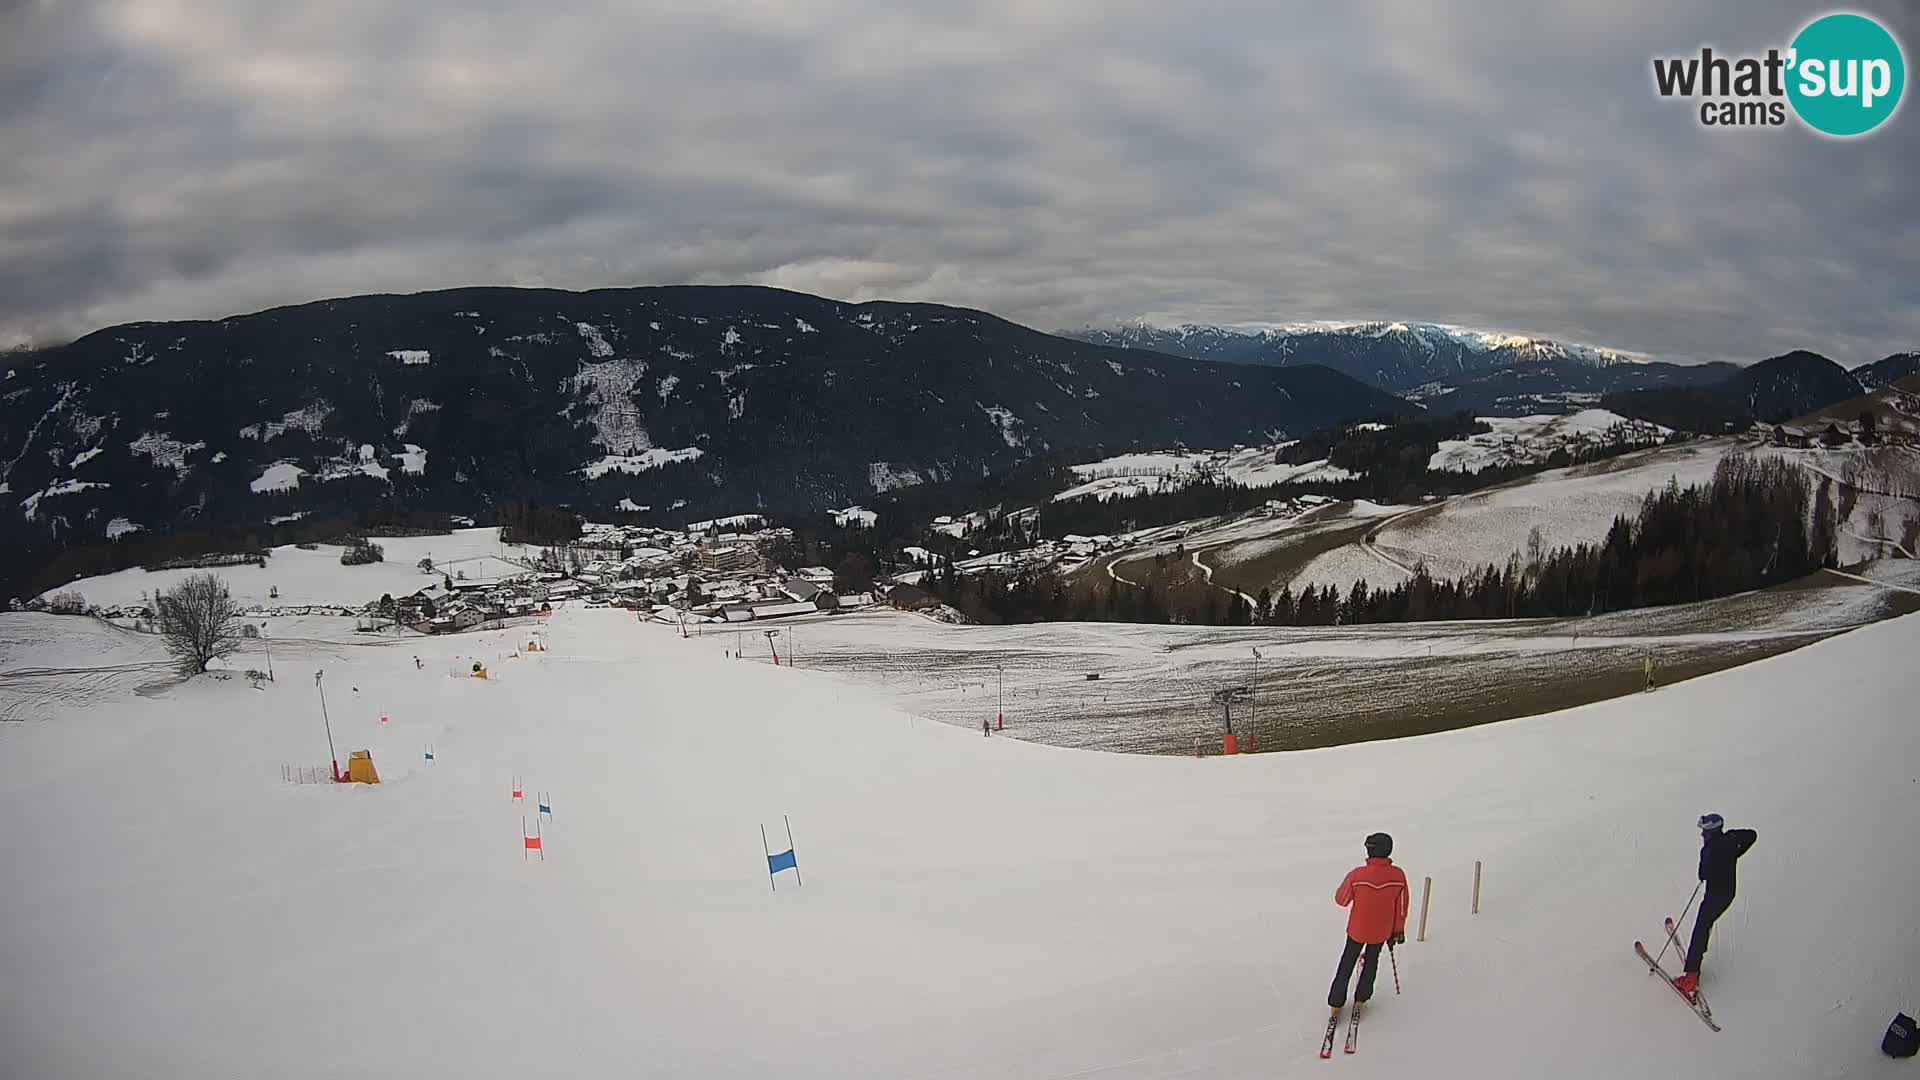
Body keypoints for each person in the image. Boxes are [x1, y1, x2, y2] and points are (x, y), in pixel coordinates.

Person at [1675, 813, 1757, 999]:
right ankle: (1696, 963)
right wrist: (1736, 847)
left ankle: (1691, 978)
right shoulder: (1730, 840)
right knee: (1706, 926)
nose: (1702, 835)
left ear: (1710, 832)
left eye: (1704, 832)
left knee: (1701, 929)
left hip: (1714, 897)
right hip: (1728, 895)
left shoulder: (1709, 850)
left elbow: (1702, 874)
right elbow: (1751, 835)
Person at [1328, 832, 1409, 1012]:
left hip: (1357, 929)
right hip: (1382, 931)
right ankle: (1361, 998)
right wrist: (1398, 930)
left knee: (1347, 961)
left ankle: (1336, 1001)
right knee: (1372, 961)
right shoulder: (1398, 876)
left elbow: (1341, 900)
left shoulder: (1357, 875)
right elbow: (1402, 908)